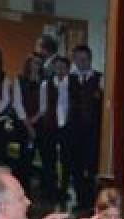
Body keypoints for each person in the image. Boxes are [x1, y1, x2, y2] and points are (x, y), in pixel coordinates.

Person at [68, 44, 104, 214]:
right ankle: (80, 200)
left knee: (91, 167)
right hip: (74, 131)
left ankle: (92, 202)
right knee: (76, 166)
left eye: (84, 59)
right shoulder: (69, 79)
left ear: (90, 59)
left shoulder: (100, 79)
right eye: (77, 59)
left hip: (93, 131)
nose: (81, 62)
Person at [37, 55, 73, 205]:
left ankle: (64, 190)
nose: (60, 70)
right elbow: (43, 107)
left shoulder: (72, 83)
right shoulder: (45, 85)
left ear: (68, 69)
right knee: (49, 159)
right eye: (57, 67)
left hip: (67, 126)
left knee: (66, 160)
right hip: (50, 126)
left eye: (63, 67)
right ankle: (52, 190)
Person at [11, 54, 45, 186]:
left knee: (37, 158)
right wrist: (28, 125)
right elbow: (17, 103)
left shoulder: (44, 81)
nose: (36, 66)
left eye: (39, 63)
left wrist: (35, 119)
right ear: (28, 64)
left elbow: (44, 105)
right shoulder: (19, 80)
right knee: (22, 157)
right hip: (22, 123)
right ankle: (20, 186)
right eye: (34, 62)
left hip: (39, 122)